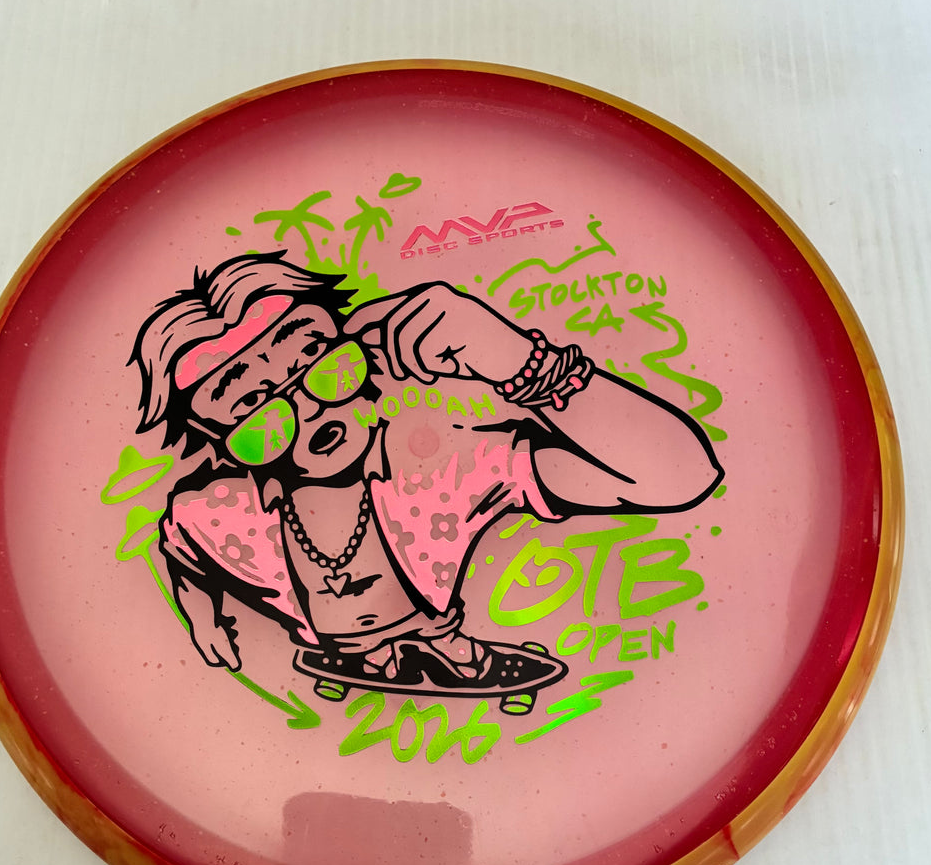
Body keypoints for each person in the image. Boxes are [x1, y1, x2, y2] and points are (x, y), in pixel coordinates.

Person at [130, 252, 722, 711]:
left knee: (442, 644)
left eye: (320, 361)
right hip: (325, 673)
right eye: (252, 405)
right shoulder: (220, 512)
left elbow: (677, 478)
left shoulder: (446, 470)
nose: (309, 407)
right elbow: (181, 548)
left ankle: (448, 652)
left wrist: (524, 364)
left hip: (436, 629)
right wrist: (203, 618)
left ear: (362, 347)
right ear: (218, 444)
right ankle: (367, 661)